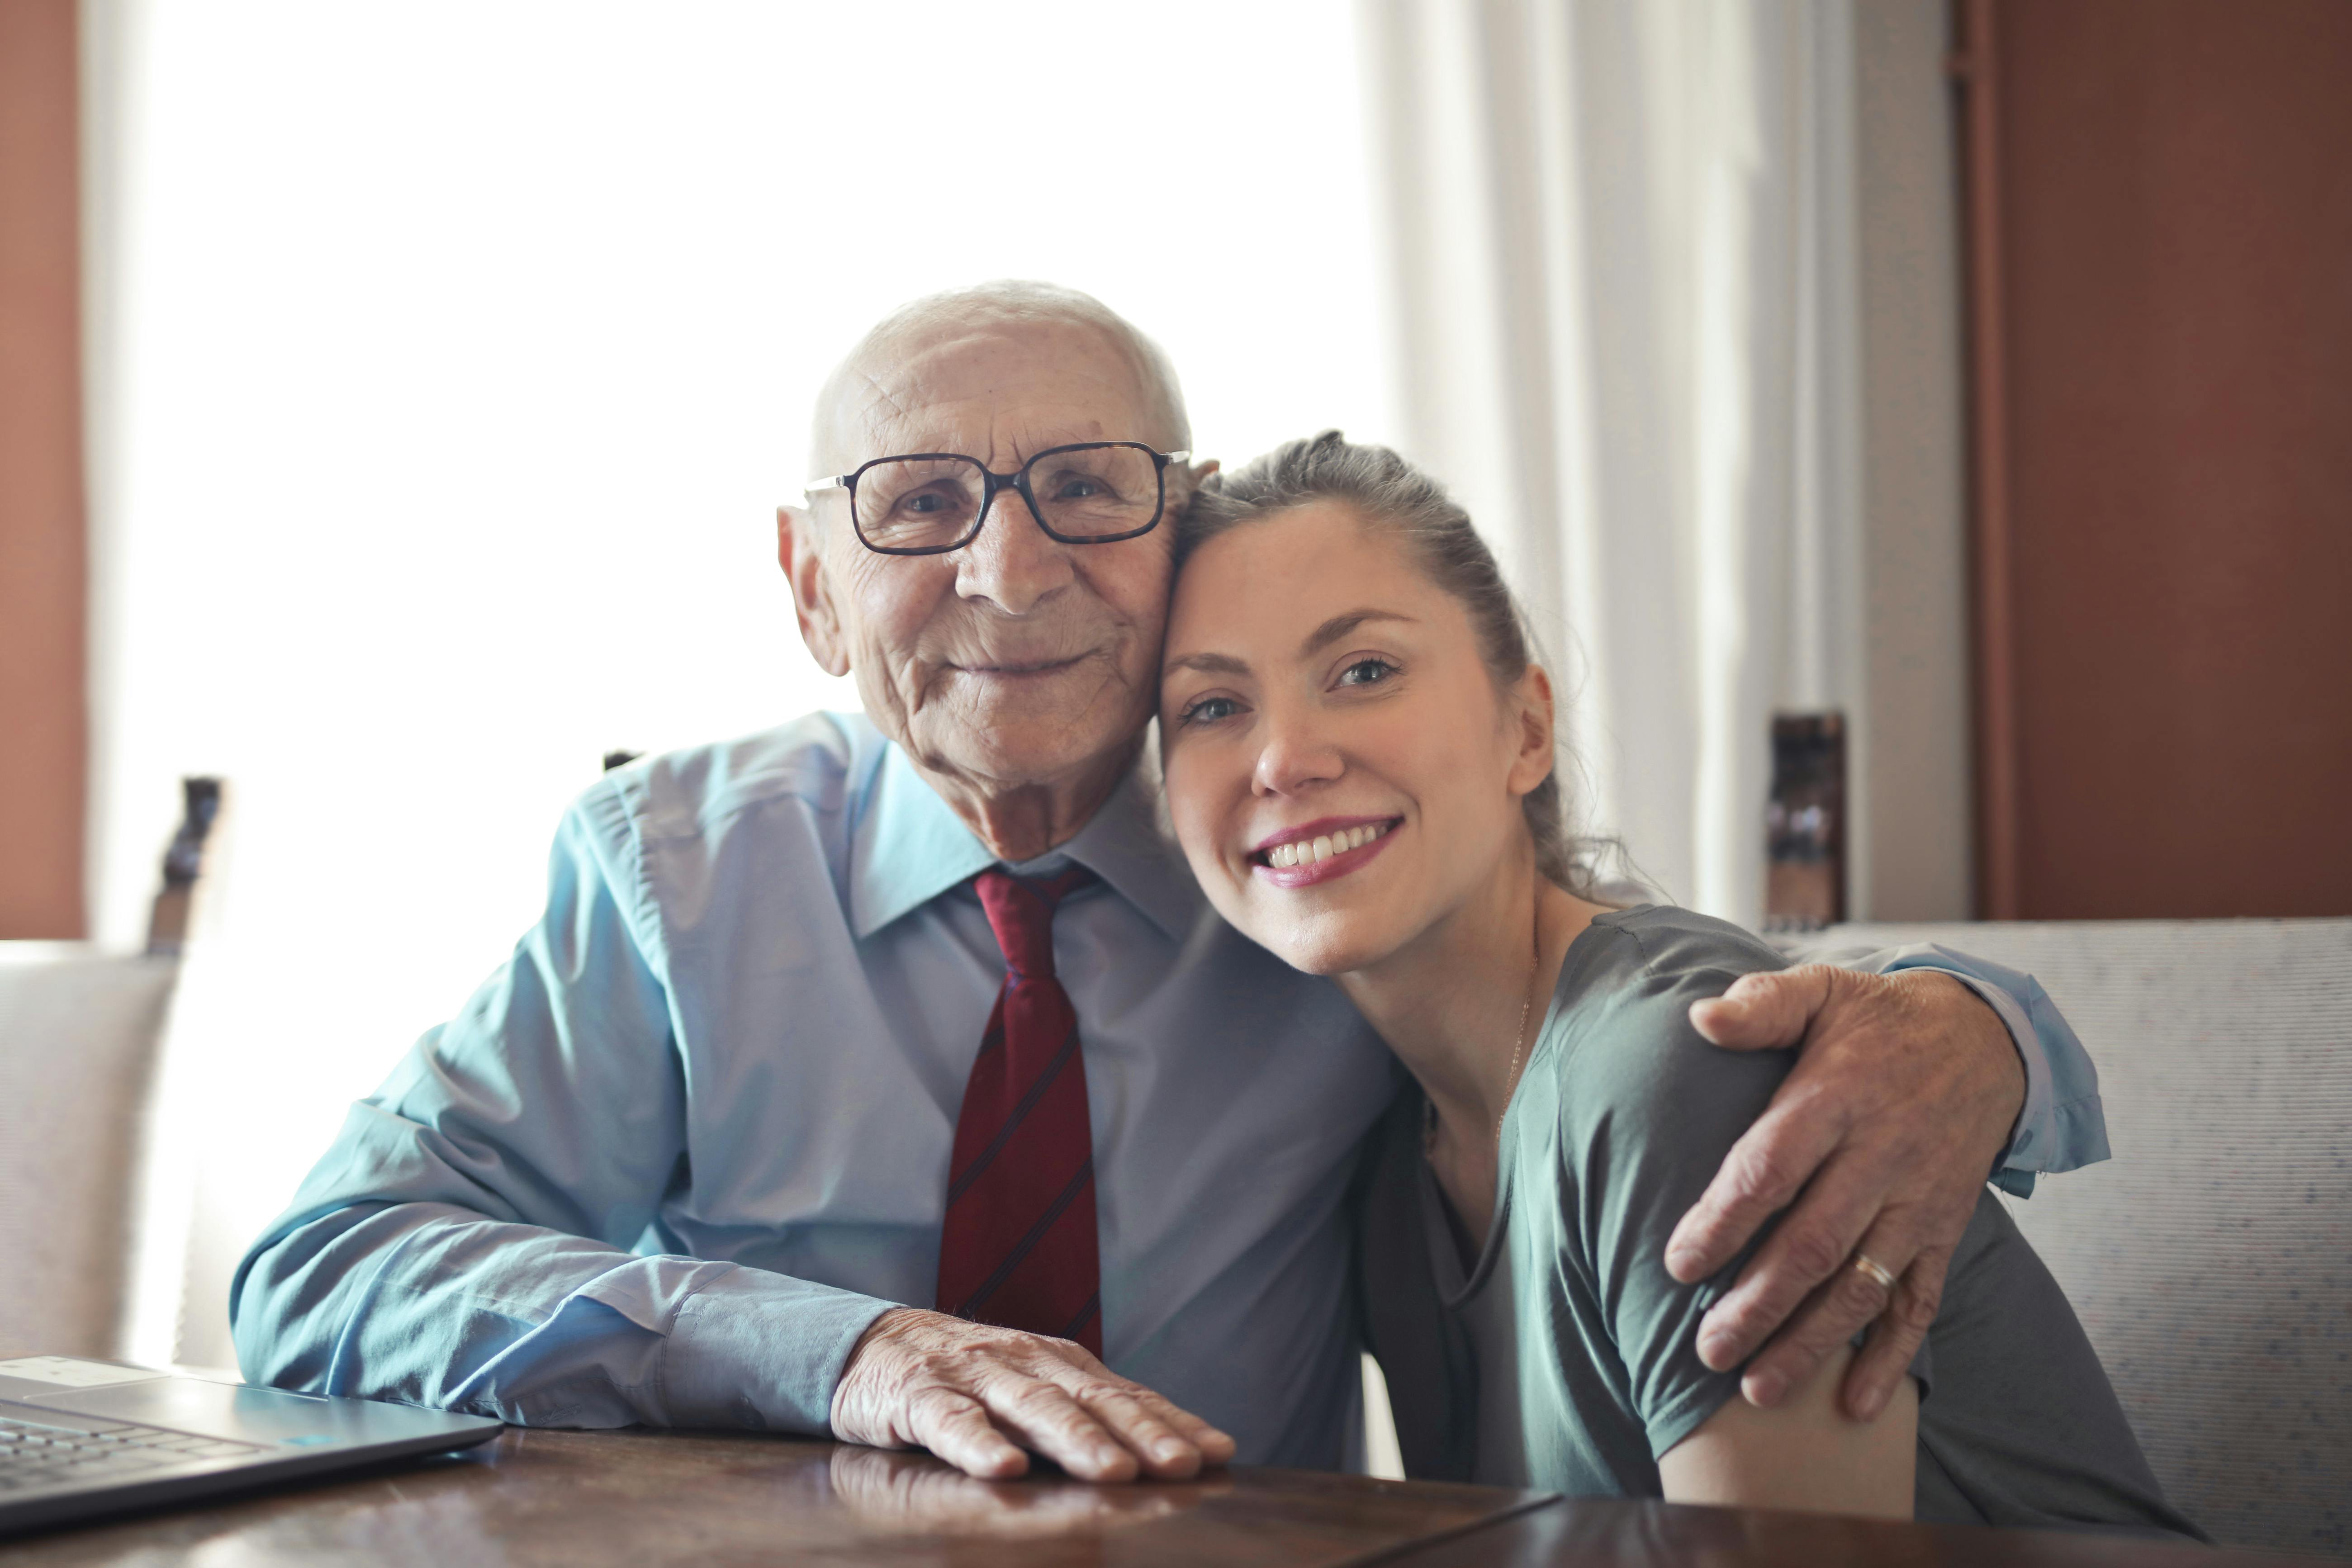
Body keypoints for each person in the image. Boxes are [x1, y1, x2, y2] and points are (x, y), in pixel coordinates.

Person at [233, 284, 2109, 1483]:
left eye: (1085, 487)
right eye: (913, 505)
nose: (1007, 566)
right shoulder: (670, 884)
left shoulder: (1301, 872)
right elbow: (318, 1271)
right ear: (810, 591)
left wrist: (1977, 1029)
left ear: (1171, 543)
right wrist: (845, 1353)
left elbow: (1628, 1006)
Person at [1156, 431, 2197, 1532]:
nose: (1282, 759)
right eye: (1212, 708)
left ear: (1526, 728)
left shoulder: (1679, 1068)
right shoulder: (1384, 1160)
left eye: (1362, 671)